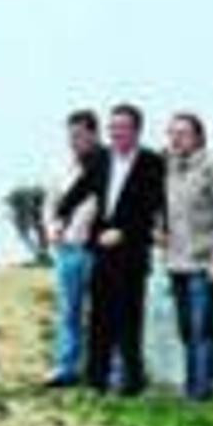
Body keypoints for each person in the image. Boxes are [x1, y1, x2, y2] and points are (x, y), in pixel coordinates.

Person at [84, 103, 166, 398]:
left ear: (136, 130)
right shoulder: (101, 158)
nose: (116, 132)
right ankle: (96, 380)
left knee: (129, 320)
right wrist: (59, 216)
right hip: (103, 251)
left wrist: (126, 232)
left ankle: (132, 382)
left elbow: (152, 206)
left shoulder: (151, 161)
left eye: (122, 127)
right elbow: (82, 189)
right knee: (99, 319)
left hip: (131, 252)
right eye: (112, 127)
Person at [162, 112, 213, 401]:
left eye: (183, 133)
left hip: (204, 263)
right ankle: (191, 387)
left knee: (203, 328)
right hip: (176, 262)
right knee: (186, 330)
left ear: (199, 137)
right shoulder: (169, 169)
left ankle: (202, 390)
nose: (175, 139)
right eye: (172, 133)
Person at [42, 110, 104, 389]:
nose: (74, 141)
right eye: (70, 136)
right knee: (69, 310)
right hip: (68, 249)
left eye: (79, 135)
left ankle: (105, 370)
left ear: (94, 134)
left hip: (100, 250)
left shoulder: (111, 166)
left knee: (102, 312)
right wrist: (52, 229)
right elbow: (49, 206)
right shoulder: (61, 169)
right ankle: (65, 367)